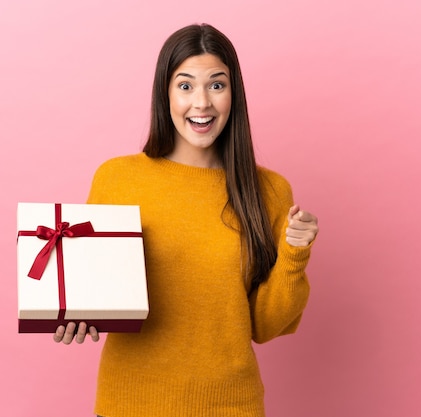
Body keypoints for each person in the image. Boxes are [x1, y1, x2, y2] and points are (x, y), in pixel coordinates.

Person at [54, 23, 319, 417]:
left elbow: (264, 325)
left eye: (216, 85)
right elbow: (93, 291)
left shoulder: (269, 191)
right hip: (129, 403)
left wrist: (295, 253)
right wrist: (74, 314)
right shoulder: (117, 179)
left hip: (231, 405)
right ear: (166, 94)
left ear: (234, 94)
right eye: (185, 86)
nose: (202, 103)